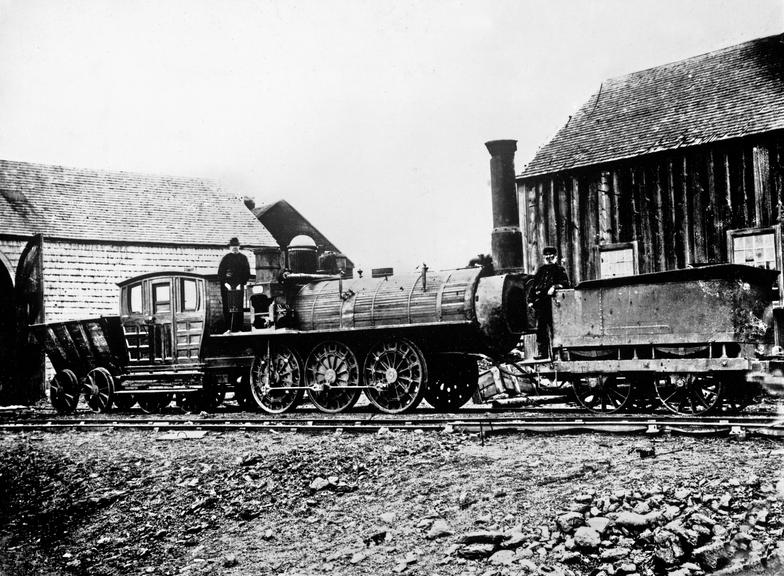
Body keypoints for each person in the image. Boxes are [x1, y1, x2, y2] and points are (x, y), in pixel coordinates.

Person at [530, 246, 570, 359]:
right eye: (546, 256)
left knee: (555, 329)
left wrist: (555, 287)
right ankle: (543, 353)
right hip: (541, 305)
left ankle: (559, 354)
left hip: (554, 305)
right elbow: (533, 287)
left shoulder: (560, 270)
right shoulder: (541, 271)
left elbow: (565, 284)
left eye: (551, 256)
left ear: (555, 257)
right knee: (541, 330)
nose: (548, 258)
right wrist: (531, 301)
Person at [218, 237, 251, 332]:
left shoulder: (243, 258)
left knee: (238, 306)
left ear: (239, 247)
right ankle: (228, 328)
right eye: (233, 246)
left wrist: (241, 283)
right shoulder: (226, 258)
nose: (234, 248)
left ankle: (238, 328)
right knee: (227, 306)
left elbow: (247, 273)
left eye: (236, 246)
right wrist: (225, 283)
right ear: (230, 247)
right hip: (226, 286)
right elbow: (220, 273)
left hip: (239, 285)